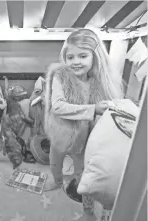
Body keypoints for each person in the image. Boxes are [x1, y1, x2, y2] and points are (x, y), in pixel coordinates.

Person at [43, 28, 124, 220]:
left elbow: (108, 108)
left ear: (94, 57)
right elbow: (58, 106)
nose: (75, 61)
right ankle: (57, 180)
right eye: (70, 57)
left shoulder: (98, 81)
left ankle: (88, 212)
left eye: (82, 55)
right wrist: (92, 109)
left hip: (84, 139)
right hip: (61, 133)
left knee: (83, 176)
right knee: (55, 161)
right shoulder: (60, 76)